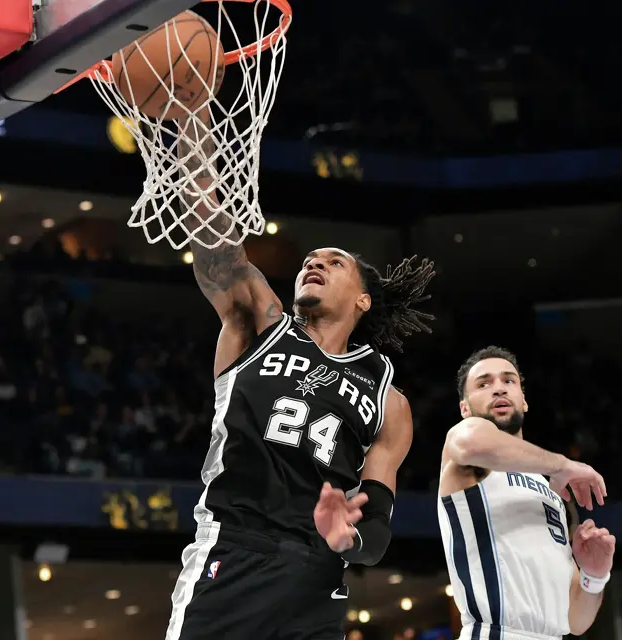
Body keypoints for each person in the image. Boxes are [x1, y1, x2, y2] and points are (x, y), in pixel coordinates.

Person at [166, 111, 436, 640]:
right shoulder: (258, 324)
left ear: (363, 300)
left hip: (317, 580)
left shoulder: (389, 399)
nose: (314, 263)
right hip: (234, 553)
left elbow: (377, 530)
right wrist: (190, 123)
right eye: (309, 260)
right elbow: (213, 231)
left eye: (334, 262)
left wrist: (345, 539)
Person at [438, 346, 616, 640]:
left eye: (508, 380)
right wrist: (564, 464)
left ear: (524, 400)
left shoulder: (553, 490)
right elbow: (470, 443)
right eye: (484, 384)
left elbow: (576, 621)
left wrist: (594, 577)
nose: (498, 388)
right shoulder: (466, 459)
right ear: (465, 409)